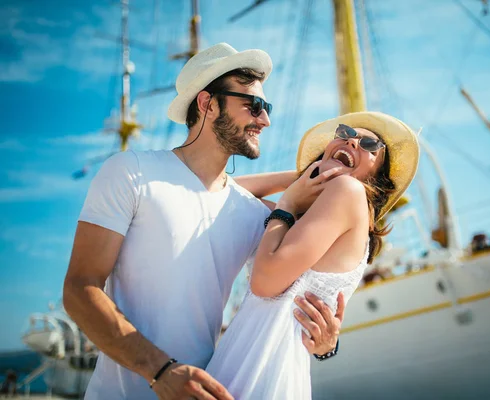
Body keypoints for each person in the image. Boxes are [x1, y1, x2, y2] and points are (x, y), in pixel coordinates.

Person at [62, 42, 342, 400]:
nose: (265, 119)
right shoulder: (131, 173)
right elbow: (80, 289)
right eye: (254, 105)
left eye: (266, 107)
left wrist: (326, 344)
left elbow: (293, 300)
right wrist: (160, 371)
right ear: (207, 104)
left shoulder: (257, 216)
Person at [205, 111, 420, 399]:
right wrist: (307, 176)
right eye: (344, 133)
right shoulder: (297, 218)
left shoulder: (347, 191)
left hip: (261, 371)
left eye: (369, 145)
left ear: (377, 178)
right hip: (253, 364)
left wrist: (290, 200)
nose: (353, 141)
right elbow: (218, 193)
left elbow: (264, 283)